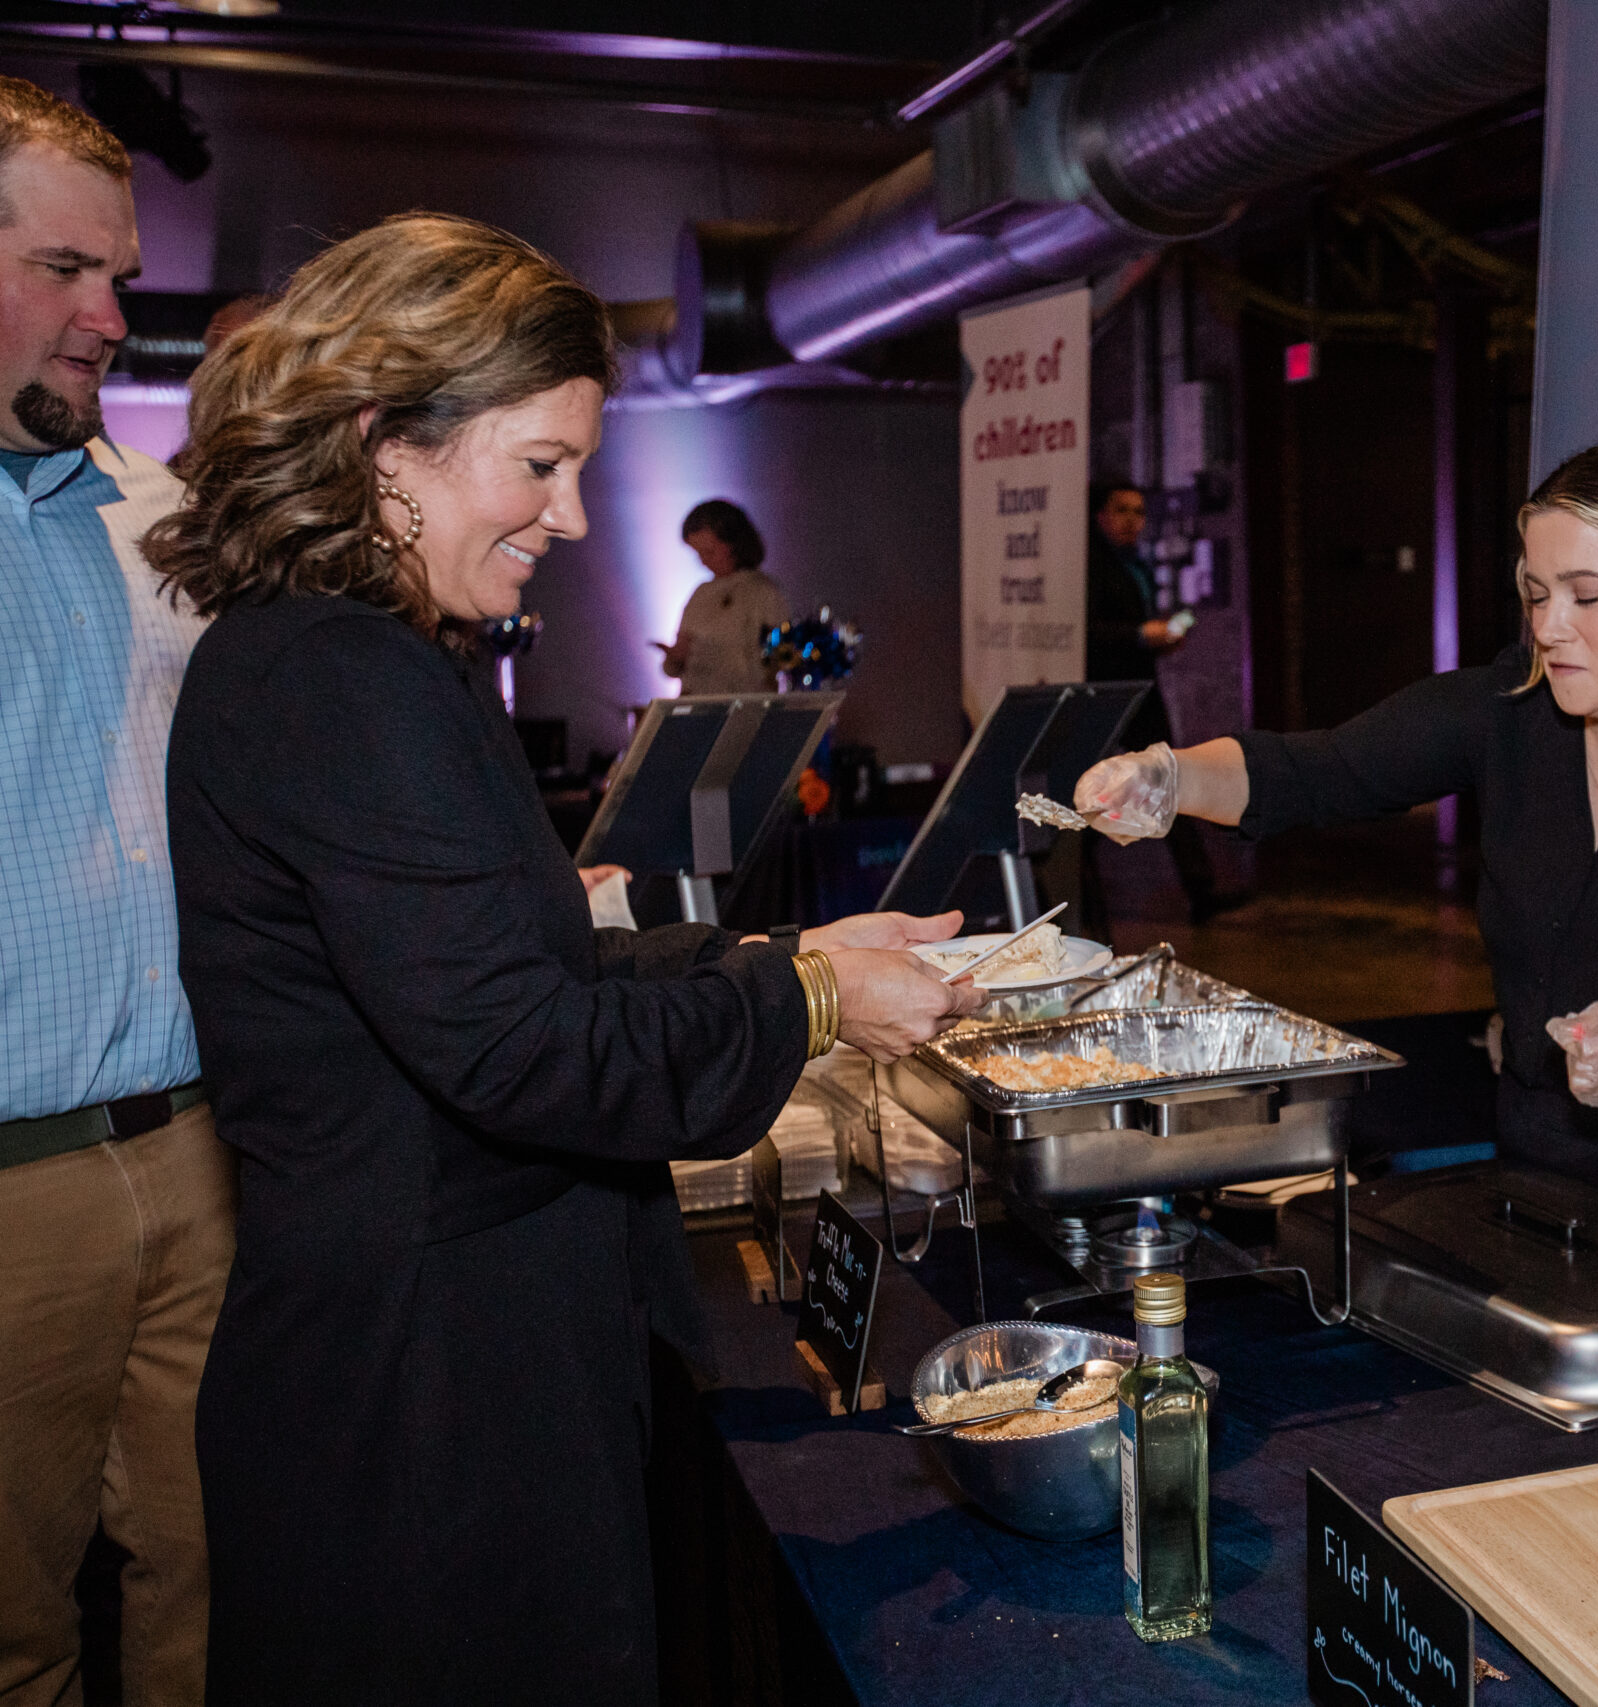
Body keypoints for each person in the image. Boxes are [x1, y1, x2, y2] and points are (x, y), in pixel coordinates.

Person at [150, 213, 982, 1707]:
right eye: (541, 464)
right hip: (426, 1400)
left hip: (445, 1356)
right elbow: (530, 1051)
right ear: (384, 444)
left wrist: (782, 946)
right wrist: (809, 998)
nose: (577, 515)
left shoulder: (355, 651)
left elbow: (523, 960)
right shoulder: (338, 674)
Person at [1076, 437, 1598, 1256]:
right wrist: (1168, 778)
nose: (1550, 627)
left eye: (1587, 596)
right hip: (1540, 1189)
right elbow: (1317, 770)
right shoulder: (1515, 710)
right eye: (1536, 594)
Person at [0, 81, 228, 1707]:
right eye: (67, 269)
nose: (109, 314)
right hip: (12, 1196)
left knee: (214, 1594)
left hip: (201, 1152)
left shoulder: (158, 517)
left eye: (121, 275)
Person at [1084, 479, 1232, 924]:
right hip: (1104, 693)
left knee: (1165, 779)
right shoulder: (1091, 565)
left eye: (1139, 512)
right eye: (1122, 510)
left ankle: (1200, 889)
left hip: (1140, 689)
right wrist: (1137, 635)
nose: (1133, 521)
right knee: (1093, 791)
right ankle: (1080, 890)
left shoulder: (1135, 564)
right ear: (1100, 516)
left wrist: (1158, 639)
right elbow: (1085, 631)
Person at [657, 496, 790, 695]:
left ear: (734, 544)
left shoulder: (763, 592)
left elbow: (780, 658)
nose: (703, 561)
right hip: (697, 704)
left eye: (709, 552)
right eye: (699, 553)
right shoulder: (701, 594)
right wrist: (676, 657)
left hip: (744, 705)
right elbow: (676, 661)